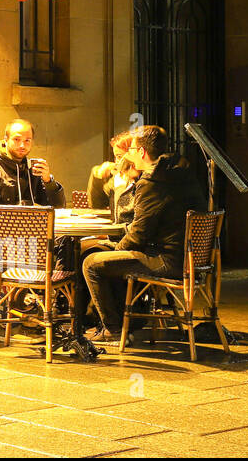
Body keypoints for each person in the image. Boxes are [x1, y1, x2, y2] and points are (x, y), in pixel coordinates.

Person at [82, 125, 205, 343]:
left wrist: (116, 249)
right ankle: (113, 320)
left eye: (130, 150)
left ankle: (113, 329)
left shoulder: (151, 182)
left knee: (91, 263)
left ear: (142, 152)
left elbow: (139, 234)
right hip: (190, 258)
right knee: (99, 251)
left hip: (166, 260)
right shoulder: (179, 170)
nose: (128, 155)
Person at [0, 119, 66, 207]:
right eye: (16, 139)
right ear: (6, 140)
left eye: (27, 140)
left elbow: (58, 206)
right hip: (2, 220)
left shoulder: (32, 169)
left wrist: (48, 181)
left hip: (30, 220)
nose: (22, 145)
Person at [87, 131, 142, 224]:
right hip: (118, 233)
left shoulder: (143, 179)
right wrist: (97, 177)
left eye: (119, 156)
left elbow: (128, 219)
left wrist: (124, 184)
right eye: (115, 157)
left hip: (129, 234)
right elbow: (97, 205)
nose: (117, 161)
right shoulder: (116, 178)